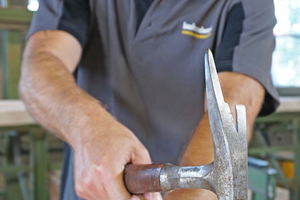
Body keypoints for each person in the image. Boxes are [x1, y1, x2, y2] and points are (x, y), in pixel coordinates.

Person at [19, 0, 279, 199]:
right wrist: (88, 127)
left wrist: (190, 194)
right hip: (95, 190)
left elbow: (232, 101)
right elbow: (40, 65)